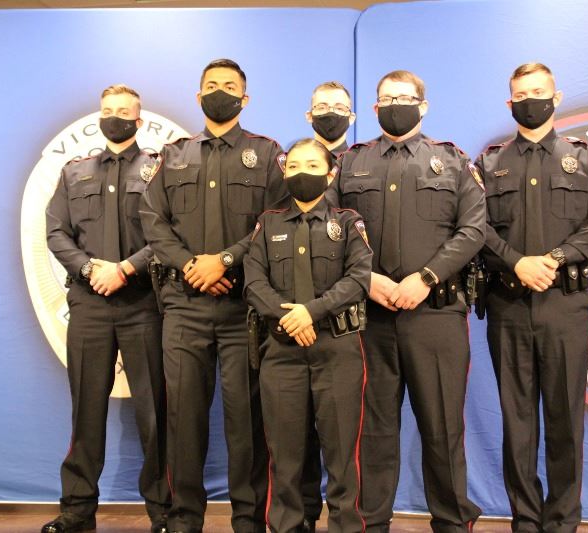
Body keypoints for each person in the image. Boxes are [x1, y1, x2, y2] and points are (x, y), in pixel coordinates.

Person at [140, 58, 287, 533]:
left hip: (244, 307)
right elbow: (153, 222)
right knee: (183, 418)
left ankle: (248, 520)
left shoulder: (267, 155)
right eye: (211, 85)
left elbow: (275, 223)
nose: (219, 91)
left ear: (245, 99)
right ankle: (184, 519)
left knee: (246, 420)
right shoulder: (174, 154)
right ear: (197, 95)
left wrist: (223, 261)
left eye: (229, 86)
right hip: (183, 306)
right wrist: (191, 265)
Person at [337, 70, 485, 533]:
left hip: (435, 313)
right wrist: (368, 279)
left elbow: (474, 229)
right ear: (375, 107)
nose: (394, 104)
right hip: (371, 317)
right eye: (385, 98)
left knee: (443, 429)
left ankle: (452, 523)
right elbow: (331, 226)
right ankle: (370, 523)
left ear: (423, 106)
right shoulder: (349, 163)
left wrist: (427, 277)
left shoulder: (453, 162)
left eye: (403, 97)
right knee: (373, 432)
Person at [474, 62, 588, 533]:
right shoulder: (489, 163)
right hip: (508, 306)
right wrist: (516, 261)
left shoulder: (585, 159)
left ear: (556, 97)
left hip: (565, 307)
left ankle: (562, 522)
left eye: (539, 91)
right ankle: (525, 521)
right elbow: (476, 230)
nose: (530, 99)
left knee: (563, 421)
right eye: (520, 93)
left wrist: (551, 259)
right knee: (517, 423)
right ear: (509, 102)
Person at [43, 84, 170, 533]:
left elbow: (168, 236)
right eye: (107, 110)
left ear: (138, 120)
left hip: (144, 305)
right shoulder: (74, 172)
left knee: (156, 413)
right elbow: (56, 232)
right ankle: (77, 511)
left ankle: (163, 513)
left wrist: (126, 270)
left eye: (123, 111)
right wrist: (90, 270)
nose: (114, 116)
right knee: (86, 411)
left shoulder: (160, 170)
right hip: (90, 304)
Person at [244, 138, 372, 533]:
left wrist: (310, 312)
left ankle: (344, 527)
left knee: (341, 456)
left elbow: (358, 278)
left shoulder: (348, 222)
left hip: (337, 350)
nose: (303, 173)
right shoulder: (268, 223)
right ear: (284, 172)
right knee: (285, 457)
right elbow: (253, 282)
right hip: (281, 352)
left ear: (330, 174)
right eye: (295, 165)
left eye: (313, 166)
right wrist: (288, 320)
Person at [296, 80, 357, 532]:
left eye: (338, 107)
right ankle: (298, 520)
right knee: (294, 440)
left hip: (351, 321)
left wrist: (368, 282)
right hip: (295, 327)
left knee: (346, 437)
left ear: (352, 116)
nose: (329, 113)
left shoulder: (366, 163)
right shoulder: (292, 164)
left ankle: (350, 521)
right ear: (308, 113)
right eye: (321, 106)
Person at [306, 81, 356, 158]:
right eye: (322, 107)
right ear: (309, 116)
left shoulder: (361, 164)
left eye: (339, 108)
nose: (331, 112)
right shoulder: (294, 163)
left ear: (351, 118)